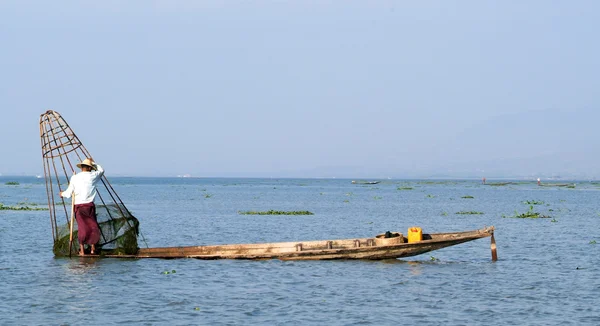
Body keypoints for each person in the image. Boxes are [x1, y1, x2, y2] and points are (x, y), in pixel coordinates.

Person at [60, 158, 104, 255]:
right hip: (89, 206)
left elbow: (68, 193)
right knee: (93, 226)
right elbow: (101, 170)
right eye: (91, 168)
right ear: (89, 168)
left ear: (82, 168)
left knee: (82, 227)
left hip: (79, 207)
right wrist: (94, 163)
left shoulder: (75, 177)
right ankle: (92, 249)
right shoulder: (93, 176)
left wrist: (62, 194)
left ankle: (82, 251)